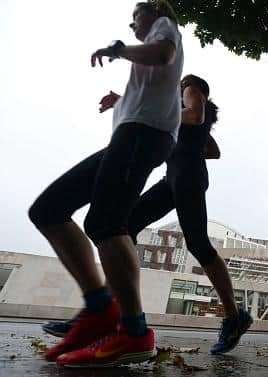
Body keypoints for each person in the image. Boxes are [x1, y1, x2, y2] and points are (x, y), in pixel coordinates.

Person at [42, 75, 253, 354]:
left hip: (187, 177)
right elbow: (213, 150)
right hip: (173, 179)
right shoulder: (179, 109)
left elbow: (195, 114)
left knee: (198, 244)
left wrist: (156, 113)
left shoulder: (190, 88)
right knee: (122, 227)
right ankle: (106, 311)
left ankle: (234, 315)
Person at [28, 0, 184, 367]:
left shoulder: (164, 26)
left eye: (136, 19)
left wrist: (117, 50)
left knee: (105, 223)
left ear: (155, 11)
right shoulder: (145, 71)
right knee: (48, 210)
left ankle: (133, 331)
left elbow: (162, 54)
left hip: (144, 135)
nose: (132, 26)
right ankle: (99, 309)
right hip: (128, 135)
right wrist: (121, 98)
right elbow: (154, 79)